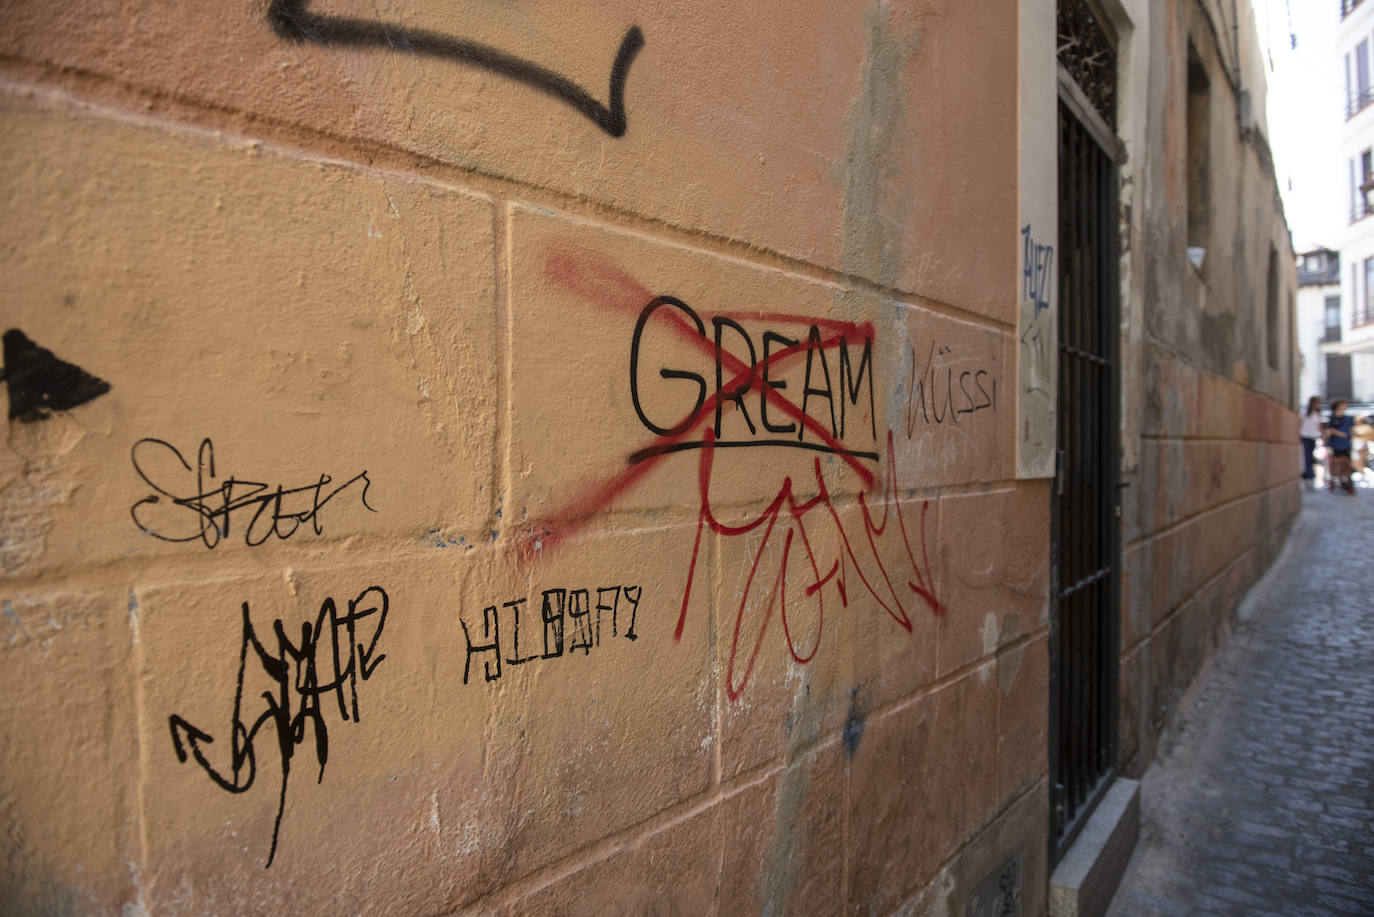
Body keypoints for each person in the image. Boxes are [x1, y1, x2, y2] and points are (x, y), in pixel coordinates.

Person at [1326, 400, 1356, 494]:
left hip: (1346, 444)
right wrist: (1339, 433)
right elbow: (1329, 430)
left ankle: (1344, 479)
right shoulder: (1332, 418)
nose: (1346, 406)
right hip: (1336, 444)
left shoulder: (1348, 418)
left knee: (1346, 462)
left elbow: (1351, 430)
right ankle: (1335, 479)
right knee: (1336, 462)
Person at [1300, 396, 1323, 489]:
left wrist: (1321, 437)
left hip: (1313, 437)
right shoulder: (1305, 413)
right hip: (1305, 436)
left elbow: (1319, 427)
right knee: (1307, 457)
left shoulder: (1317, 414)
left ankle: (1309, 476)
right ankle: (1308, 477)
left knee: (1311, 458)